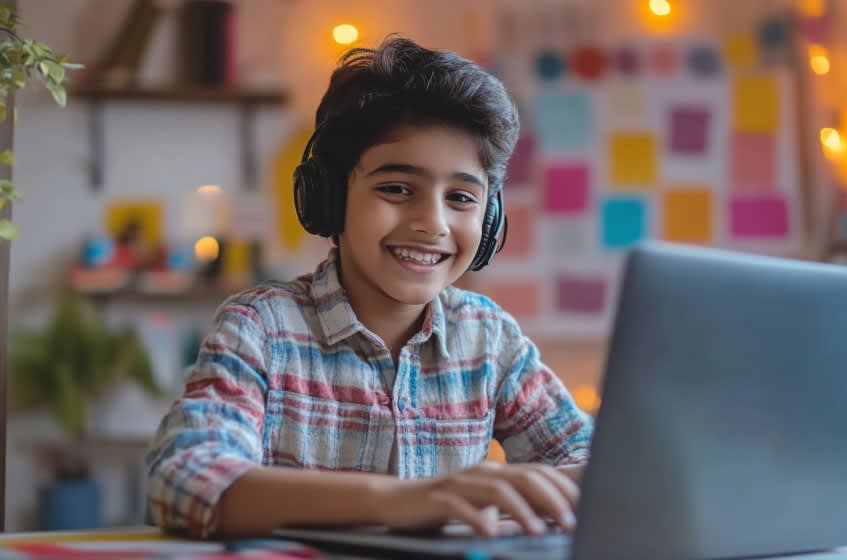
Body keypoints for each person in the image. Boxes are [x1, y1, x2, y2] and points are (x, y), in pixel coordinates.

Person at [146, 36, 593, 540]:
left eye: (461, 197)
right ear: (331, 198)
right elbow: (183, 479)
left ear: (489, 221)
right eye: (397, 189)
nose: (433, 223)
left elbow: (594, 463)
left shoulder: (489, 339)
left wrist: (593, 481)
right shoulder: (262, 328)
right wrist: (409, 500)